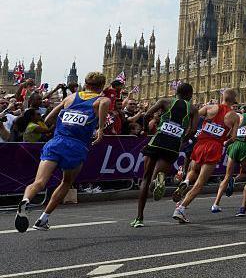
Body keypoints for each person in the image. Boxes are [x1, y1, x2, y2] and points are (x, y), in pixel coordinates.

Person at [15, 71, 110, 232]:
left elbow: (48, 119)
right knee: (66, 182)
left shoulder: (69, 98)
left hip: (56, 142)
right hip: (76, 146)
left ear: (85, 84)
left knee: (38, 182)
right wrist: (100, 128)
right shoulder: (102, 99)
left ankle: (25, 200)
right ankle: (43, 219)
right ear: (101, 86)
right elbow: (104, 105)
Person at [132, 83, 196, 227]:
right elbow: (192, 130)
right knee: (157, 174)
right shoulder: (192, 109)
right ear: (190, 95)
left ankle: (139, 218)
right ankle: (159, 179)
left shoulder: (164, 102)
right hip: (173, 145)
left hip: (157, 140)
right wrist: (182, 140)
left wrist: (144, 130)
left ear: (176, 93)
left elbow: (147, 114)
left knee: (145, 179)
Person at [172, 89, 240, 223]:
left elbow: (193, 115)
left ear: (222, 97)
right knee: (200, 183)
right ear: (233, 101)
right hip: (215, 146)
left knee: (192, 170)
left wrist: (190, 130)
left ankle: (185, 182)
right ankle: (181, 209)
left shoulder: (209, 108)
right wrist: (224, 142)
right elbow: (233, 137)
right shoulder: (234, 116)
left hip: (200, 143)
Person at [213, 98, 246, 213]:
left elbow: (230, 132)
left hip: (234, 146)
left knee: (226, 176)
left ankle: (216, 203)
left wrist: (227, 141)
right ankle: (235, 180)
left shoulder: (239, 116)